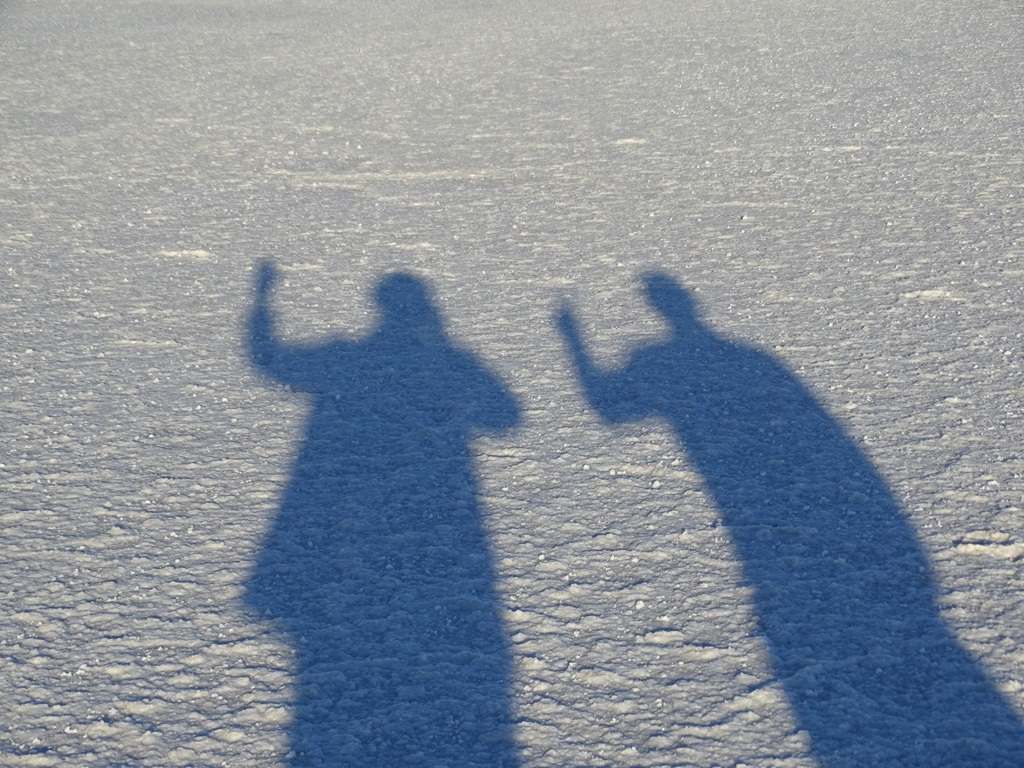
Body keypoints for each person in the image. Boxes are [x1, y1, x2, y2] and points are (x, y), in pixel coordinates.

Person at [559, 271, 1024, 766]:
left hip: (754, 526)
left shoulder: (660, 360)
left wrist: (573, 343)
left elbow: (609, 409)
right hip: (809, 524)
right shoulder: (752, 357)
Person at [246, 262, 520, 767]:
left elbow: (273, 362)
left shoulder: (345, 359)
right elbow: (506, 415)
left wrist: (261, 305)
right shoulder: (450, 362)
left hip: (352, 511)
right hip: (435, 508)